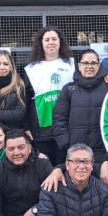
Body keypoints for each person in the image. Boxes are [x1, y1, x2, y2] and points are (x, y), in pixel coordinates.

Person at [24, 27, 75, 164]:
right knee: (44, 168)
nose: (50, 42)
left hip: (66, 127)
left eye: (54, 39)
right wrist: (27, 126)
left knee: (64, 167)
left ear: (60, 42)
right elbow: (26, 100)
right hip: (42, 130)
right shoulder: (31, 69)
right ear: (41, 43)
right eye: (47, 39)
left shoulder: (72, 65)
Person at [52, 49, 108, 165]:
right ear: (79, 65)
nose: (89, 66)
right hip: (75, 151)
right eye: (85, 63)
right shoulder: (69, 89)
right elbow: (59, 118)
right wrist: (66, 144)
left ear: (98, 65)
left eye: (93, 63)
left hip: (102, 151)